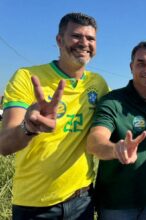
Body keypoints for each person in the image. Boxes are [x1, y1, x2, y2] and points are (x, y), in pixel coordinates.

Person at [0, 13, 108, 219]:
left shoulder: (99, 84)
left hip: (82, 200)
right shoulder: (27, 77)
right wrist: (29, 128)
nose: (84, 43)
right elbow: (4, 145)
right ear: (59, 40)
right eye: (76, 36)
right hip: (34, 204)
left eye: (91, 38)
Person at [86, 41, 146, 220]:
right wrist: (116, 149)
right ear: (131, 67)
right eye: (141, 63)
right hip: (117, 204)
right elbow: (95, 140)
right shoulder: (113, 101)